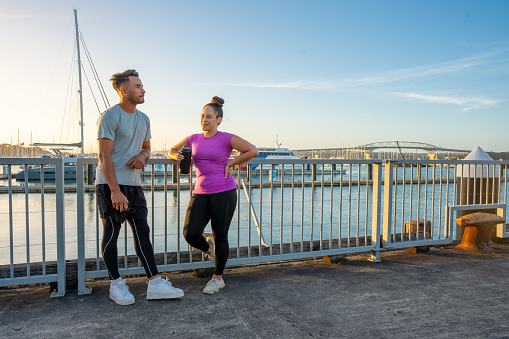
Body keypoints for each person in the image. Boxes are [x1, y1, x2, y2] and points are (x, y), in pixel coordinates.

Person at [96, 69, 184, 305]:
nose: (143, 90)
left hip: (134, 184)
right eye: (138, 86)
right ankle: (116, 284)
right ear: (124, 90)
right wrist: (114, 191)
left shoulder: (144, 118)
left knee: (142, 233)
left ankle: (155, 283)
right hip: (111, 184)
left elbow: (146, 147)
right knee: (112, 233)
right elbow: (104, 156)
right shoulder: (109, 116)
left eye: (142, 85)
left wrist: (144, 157)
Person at [169, 96, 258, 294]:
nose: (204, 120)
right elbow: (172, 149)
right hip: (200, 191)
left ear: (218, 119)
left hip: (224, 191)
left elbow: (252, 150)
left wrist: (231, 163)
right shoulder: (193, 138)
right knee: (190, 233)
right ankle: (209, 251)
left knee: (220, 235)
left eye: (209, 116)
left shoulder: (227, 138)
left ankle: (217, 278)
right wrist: (177, 156)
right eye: (202, 116)